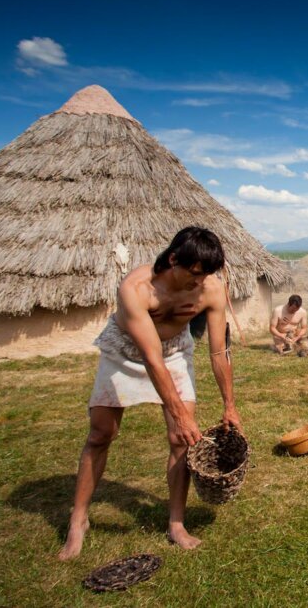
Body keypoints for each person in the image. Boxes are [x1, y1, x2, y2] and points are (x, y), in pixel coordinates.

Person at [58, 227, 242, 560]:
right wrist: (182, 414)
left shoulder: (211, 289)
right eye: (195, 275)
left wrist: (230, 405)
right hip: (126, 350)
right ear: (174, 260)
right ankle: (78, 519)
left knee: (179, 440)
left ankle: (176, 523)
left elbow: (218, 352)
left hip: (174, 351)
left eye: (207, 277)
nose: (200, 284)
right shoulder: (136, 289)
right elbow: (150, 357)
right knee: (101, 433)